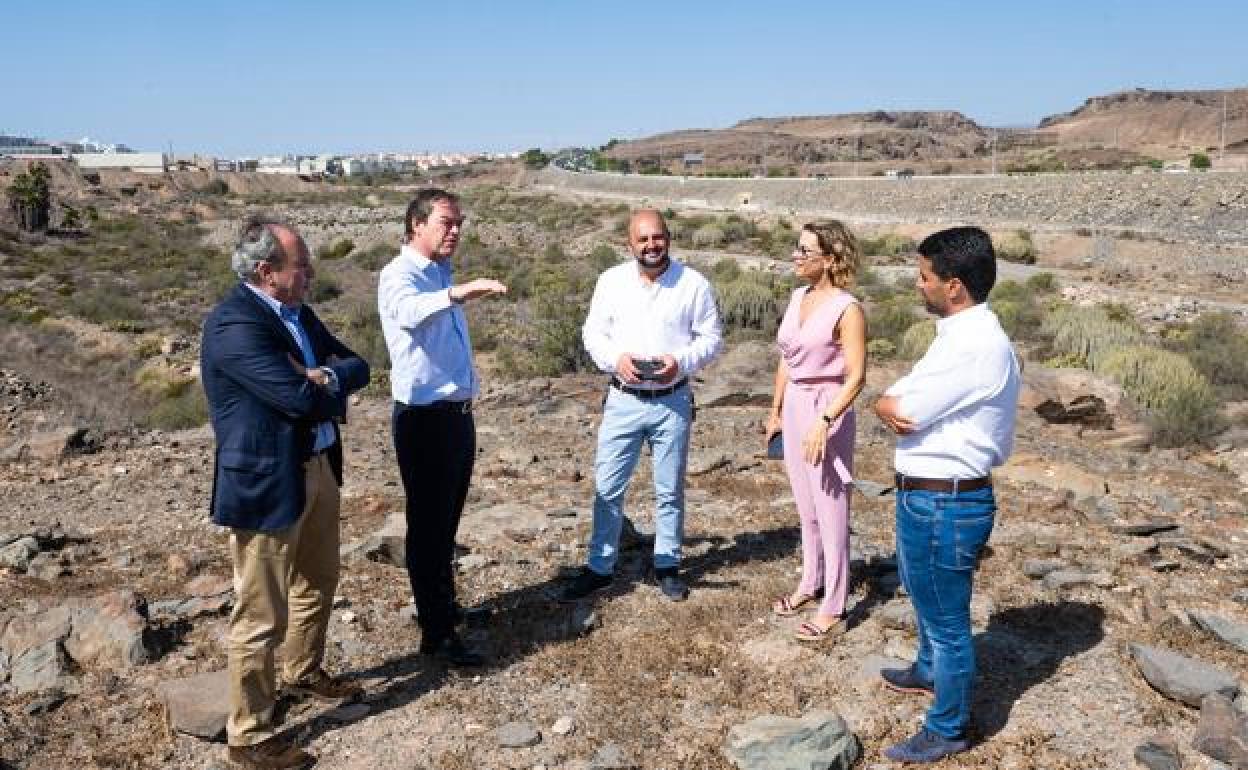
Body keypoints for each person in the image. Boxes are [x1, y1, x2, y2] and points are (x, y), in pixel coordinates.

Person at [202, 215, 370, 770]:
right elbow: (296, 400)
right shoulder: (234, 325)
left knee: (319, 579)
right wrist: (315, 382)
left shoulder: (297, 314)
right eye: (301, 265)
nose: (311, 272)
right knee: (259, 612)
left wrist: (321, 375)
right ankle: (248, 734)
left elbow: (359, 366)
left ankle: (303, 671)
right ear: (266, 271)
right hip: (268, 479)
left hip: (318, 464)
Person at [872, 226, 1021, 764]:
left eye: (924, 277)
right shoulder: (958, 336)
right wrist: (890, 402)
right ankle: (928, 671)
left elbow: (904, 408)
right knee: (925, 596)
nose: (918, 285)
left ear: (953, 286)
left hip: (946, 502)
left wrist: (887, 405)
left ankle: (947, 727)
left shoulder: (976, 346)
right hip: (931, 497)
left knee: (949, 622)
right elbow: (900, 399)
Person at [562, 208, 722, 602]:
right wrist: (615, 359)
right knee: (608, 487)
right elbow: (593, 333)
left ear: (668, 237)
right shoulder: (611, 281)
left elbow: (711, 337)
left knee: (669, 489)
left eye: (658, 237)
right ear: (629, 244)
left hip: (673, 401)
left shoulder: (693, 284)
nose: (652, 246)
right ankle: (600, 568)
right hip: (623, 400)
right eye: (643, 240)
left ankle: (667, 564)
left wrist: (680, 362)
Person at [378, 188, 507, 667]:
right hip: (424, 421)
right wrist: (458, 293)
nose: (455, 231)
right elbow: (408, 313)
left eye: (459, 223)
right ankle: (436, 631)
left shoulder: (437, 272)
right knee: (428, 529)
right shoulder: (400, 275)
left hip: (455, 416)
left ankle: (444, 609)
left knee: (446, 523)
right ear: (416, 225)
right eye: (445, 223)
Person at [763, 221, 867, 642]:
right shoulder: (796, 298)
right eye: (796, 249)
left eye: (805, 251)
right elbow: (787, 359)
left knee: (831, 509)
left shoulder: (847, 308)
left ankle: (835, 604)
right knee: (806, 508)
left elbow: (857, 376)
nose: (796, 257)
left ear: (830, 258)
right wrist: (775, 411)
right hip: (794, 408)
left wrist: (825, 421)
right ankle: (810, 582)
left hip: (828, 411)